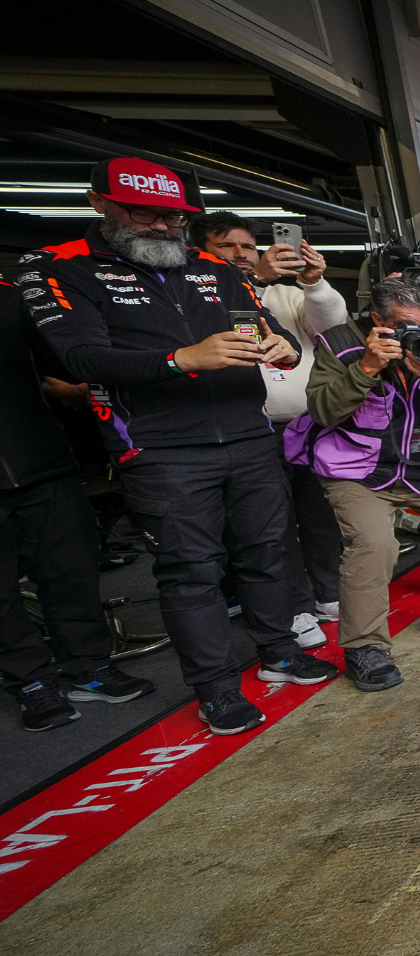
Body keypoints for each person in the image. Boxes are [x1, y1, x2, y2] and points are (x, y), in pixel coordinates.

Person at [16, 157, 338, 735]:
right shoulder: (58, 266)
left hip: (248, 433)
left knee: (267, 551)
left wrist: (283, 348)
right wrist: (180, 359)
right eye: (147, 214)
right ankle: (216, 689)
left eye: (175, 217)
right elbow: (79, 358)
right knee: (191, 570)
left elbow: (263, 329)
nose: (164, 226)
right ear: (99, 203)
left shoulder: (216, 267)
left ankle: (280, 653)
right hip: (159, 448)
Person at [294, 278, 420, 690]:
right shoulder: (340, 345)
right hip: (357, 471)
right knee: (374, 544)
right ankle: (364, 647)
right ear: (378, 320)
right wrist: (366, 368)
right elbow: (322, 411)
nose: (419, 334)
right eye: (406, 325)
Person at [1, 281, 155, 731]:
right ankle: (30, 683)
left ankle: (89, 667)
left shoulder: (11, 297)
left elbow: (61, 363)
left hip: (41, 460)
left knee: (70, 570)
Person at [191, 211, 345, 648]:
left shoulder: (285, 292)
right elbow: (218, 322)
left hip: (307, 424)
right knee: (272, 525)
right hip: (249, 430)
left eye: (247, 246)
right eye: (226, 246)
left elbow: (333, 326)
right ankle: (295, 607)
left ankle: (329, 592)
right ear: (201, 251)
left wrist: (313, 282)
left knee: (321, 514)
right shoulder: (195, 295)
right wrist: (254, 279)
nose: (240, 254)